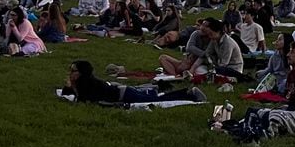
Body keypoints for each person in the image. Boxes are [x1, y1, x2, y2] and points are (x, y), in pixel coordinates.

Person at [63, 61, 206, 104]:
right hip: (124, 92)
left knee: (157, 100)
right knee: (155, 98)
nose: (71, 73)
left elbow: (82, 101)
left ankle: (189, 93)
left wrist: (71, 87)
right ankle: (186, 92)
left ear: (81, 73)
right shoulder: (86, 83)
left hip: (126, 95)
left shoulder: (88, 84)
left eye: (73, 71)